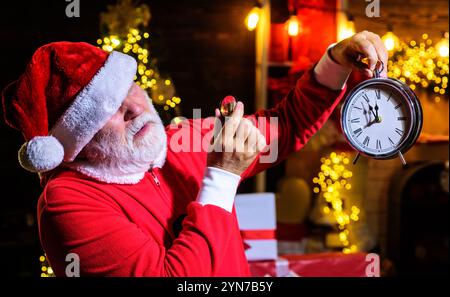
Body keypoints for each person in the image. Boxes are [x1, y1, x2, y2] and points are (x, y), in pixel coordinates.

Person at [1, 31, 387, 276]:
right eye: (107, 110)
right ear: (77, 142)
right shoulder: (68, 204)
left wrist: (336, 62)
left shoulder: (176, 142)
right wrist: (221, 178)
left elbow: (284, 126)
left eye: (128, 89)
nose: (134, 107)